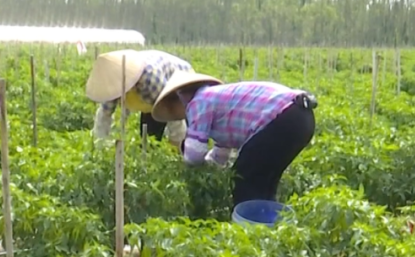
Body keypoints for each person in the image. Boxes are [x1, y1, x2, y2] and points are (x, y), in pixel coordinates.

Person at [150, 71, 317, 207]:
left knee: (243, 179)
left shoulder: (200, 101)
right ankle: (268, 230)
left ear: (181, 98)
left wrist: (184, 168)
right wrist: (210, 169)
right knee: (265, 181)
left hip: (283, 116)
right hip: (302, 118)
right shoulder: (217, 102)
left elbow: (194, 154)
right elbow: (219, 156)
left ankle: (249, 233)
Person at [85, 49, 192, 147]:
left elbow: (171, 110)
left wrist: (177, 145)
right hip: (151, 95)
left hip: (182, 83)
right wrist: (101, 144)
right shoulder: (113, 83)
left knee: (189, 139)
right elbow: (104, 114)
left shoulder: (150, 80)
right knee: (148, 141)